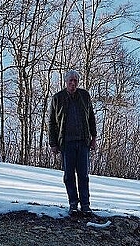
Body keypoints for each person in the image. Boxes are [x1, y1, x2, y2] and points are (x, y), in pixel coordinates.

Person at [49, 70, 97, 214]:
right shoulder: (57, 98)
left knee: (83, 175)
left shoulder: (84, 96)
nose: (73, 83)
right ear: (66, 82)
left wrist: (94, 138)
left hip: (83, 142)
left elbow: (91, 118)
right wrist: (53, 143)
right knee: (69, 175)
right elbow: (52, 122)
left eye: (75, 80)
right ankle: (73, 204)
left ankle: (85, 205)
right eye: (71, 80)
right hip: (66, 143)